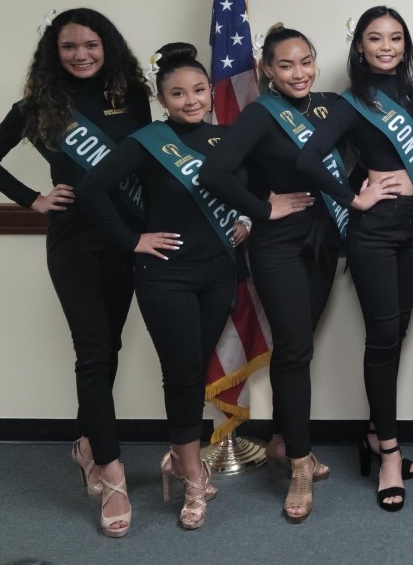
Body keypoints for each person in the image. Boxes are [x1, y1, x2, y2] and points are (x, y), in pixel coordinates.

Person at [0, 8, 150, 538]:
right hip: (75, 242)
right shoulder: (40, 107)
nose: (81, 55)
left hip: (126, 238)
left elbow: (150, 161)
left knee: (109, 347)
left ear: (107, 46)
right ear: (54, 52)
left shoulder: (133, 97)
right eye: (69, 46)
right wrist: (34, 199)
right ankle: (112, 475)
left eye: (91, 44)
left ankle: (87, 443)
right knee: (93, 351)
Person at [75, 43, 252, 530]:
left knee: (193, 371)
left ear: (210, 93)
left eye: (198, 90)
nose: (191, 100)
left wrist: (246, 221)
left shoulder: (226, 138)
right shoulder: (148, 140)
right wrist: (131, 240)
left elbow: (247, 191)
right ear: (162, 98)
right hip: (166, 276)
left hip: (217, 270)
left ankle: (180, 458)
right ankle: (194, 477)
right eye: (178, 93)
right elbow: (92, 188)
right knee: (180, 373)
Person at [201, 24, 344, 524]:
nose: (299, 73)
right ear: (267, 70)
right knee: (295, 348)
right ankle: (300, 465)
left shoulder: (328, 105)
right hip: (279, 246)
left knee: (299, 344)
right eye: (286, 65)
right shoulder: (261, 114)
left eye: (306, 61)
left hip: (324, 243)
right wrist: (263, 208)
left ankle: (285, 441)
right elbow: (212, 174)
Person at [296, 5, 413, 512]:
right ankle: (391, 456)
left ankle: (376, 437)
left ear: (405, 46)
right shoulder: (352, 102)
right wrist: (357, 193)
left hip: (412, 235)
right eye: (375, 38)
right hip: (373, 235)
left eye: (395, 38)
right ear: (360, 46)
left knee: (395, 334)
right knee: (382, 340)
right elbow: (307, 158)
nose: (386, 47)